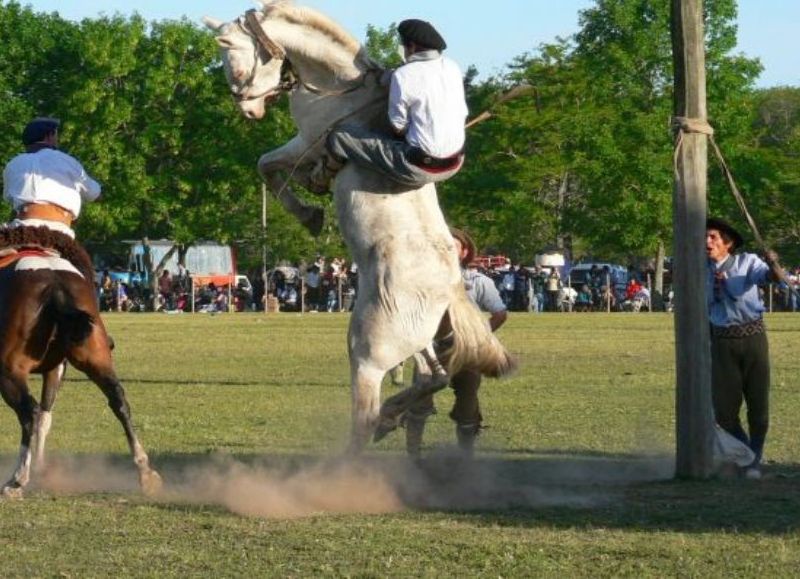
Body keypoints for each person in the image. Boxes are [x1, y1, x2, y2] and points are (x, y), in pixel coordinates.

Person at [324, 19, 468, 189]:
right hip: (455, 163)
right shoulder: (452, 67)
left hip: (419, 167)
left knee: (339, 135)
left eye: (403, 45)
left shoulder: (404, 75)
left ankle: (321, 179)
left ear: (412, 46)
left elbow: (397, 126)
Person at [404, 228, 508, 458]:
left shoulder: (479, 281)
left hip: (467, 352)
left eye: (453, 247)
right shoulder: (421, 282)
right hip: (430, 351)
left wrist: (477, 337)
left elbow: (500, 314)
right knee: (419, 403)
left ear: (464, 252)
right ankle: (413, 459)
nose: (447, 252)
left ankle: (465, 459)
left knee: (467, 404)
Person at [706, 217, 785, 480]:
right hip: (721, 342)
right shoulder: (698, 271)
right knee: (725, 412)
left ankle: (754, 460)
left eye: (713, 237)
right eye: (705, 237)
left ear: (727, 243)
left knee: (758, 407)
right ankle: (747, 456)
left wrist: (773, 261)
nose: (707, 242)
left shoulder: (747, 263)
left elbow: (773, 278)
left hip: (753, 341)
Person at [3, 117, 100, 239]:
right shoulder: (67, 160)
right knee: (81, 259)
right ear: (49, 136)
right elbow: (93, 194)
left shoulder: (13, 164)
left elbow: (9, 198)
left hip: (22, 230)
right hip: (60, 232)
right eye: (56, 135)